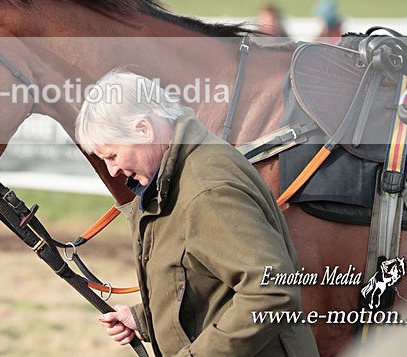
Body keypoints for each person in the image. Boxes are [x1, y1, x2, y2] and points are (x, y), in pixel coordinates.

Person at [75, 70, 318, 356]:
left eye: (112, 156)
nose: (113, 170)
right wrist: (145, 319)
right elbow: (202, 280)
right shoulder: (174, 177)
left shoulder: (207, 189)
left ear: (144, 129)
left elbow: (272, 290)